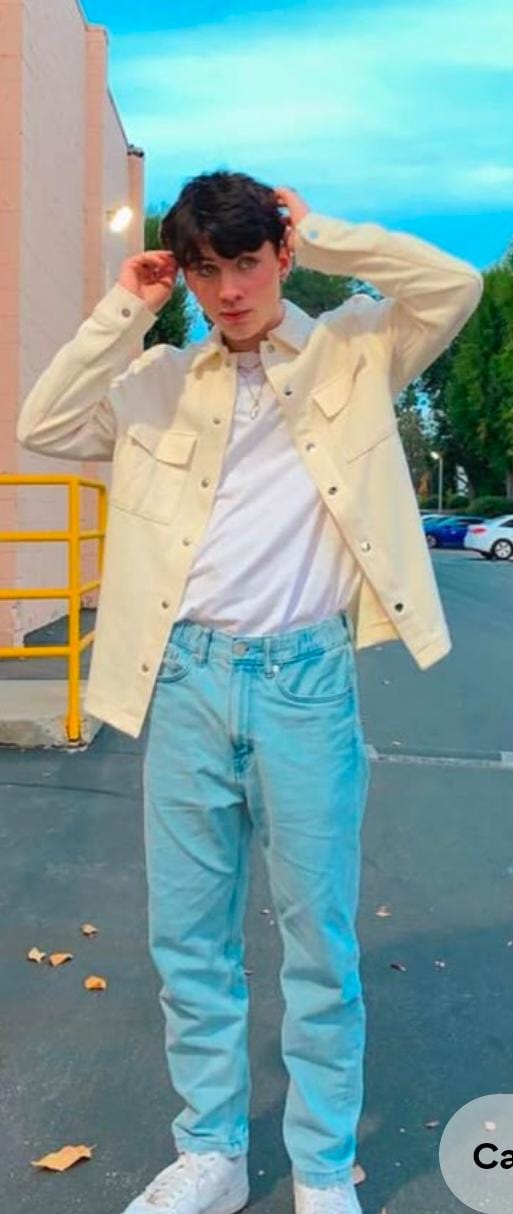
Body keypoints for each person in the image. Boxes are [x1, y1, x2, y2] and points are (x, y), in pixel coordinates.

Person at [16, 171, 483, 1214]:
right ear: (184, 276)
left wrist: (326, 234)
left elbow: (451, 286)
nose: (229, 290)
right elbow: (43, 422)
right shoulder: (155, 382)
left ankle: (321, 1164)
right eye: (205, 270)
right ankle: (212, 1153)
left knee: (317, 939)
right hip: (186, 679)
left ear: (278, 258)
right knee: (188, 937)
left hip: (304, 682)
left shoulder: (353, 351)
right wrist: (126, 307)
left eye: (247, 262)